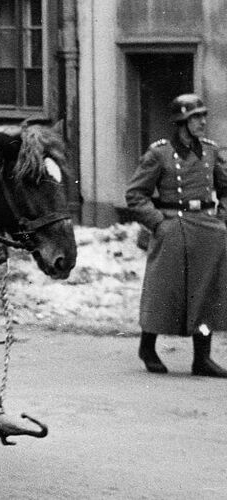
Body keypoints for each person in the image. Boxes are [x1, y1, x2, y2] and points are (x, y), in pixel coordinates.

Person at [125, 93, 227, 377]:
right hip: (173, 227)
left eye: (203, 116)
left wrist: (222, 219)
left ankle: (202, 358)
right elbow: (136, 194)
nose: (202, 122)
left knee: (207, 295)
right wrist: (158, 223)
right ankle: (148, 347)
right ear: (181, 121)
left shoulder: (210, 151)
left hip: (207, 230)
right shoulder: (160, 153)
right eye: (196, 117)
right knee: (163, 291)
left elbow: (225, 187)